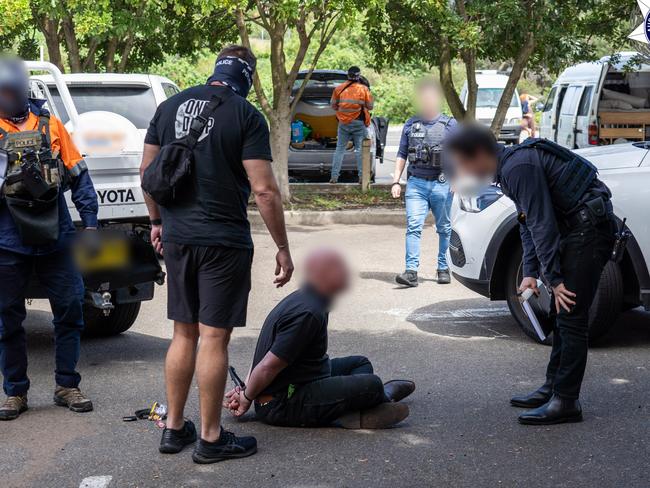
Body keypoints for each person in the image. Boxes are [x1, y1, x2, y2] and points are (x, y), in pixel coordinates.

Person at [140, 45, 294, 464]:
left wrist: (157, 223)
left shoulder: (169, 106)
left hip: (177, 238)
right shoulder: (245, 115)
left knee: (182, 333)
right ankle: (210, 438)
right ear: (246, 75)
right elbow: (263, 190)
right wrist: (282, 246)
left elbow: (147, 175)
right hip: (222, 240)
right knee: (213, 337)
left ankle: (174, 429)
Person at [446, 124, 616, 425]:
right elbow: (526, 220)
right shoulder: (509, 166)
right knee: (559, 312)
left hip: (589, 231)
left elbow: (542, 223)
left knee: (571, 315)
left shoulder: (517, 167)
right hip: (578, 230)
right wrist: (530, 272)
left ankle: (566, 401)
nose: (466, 172)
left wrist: (554, 279)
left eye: (465, 165)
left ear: (481, 155)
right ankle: (553, 388)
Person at [0, 57, 98, 421]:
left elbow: (79, 176)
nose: (9, 96)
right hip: (8, 244)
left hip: (56, 239)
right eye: (3, 91)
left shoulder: (51, 125)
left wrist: (90, 223)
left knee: (71, 311)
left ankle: (66, 385)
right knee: (7, 319)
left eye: (13, 89)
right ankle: (15, 392)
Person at [224, 248, 414, 429]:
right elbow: (268, 365)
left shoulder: (308, 298)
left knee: (360, 364)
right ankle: (380, 398)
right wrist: (247, 396)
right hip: (281, 402)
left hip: (306, 377)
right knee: (371, 385)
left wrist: (247, 386)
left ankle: (347, 411)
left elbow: (266, 352)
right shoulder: (309, 313)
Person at [392, 78, 457, 287]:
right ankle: (411, 272)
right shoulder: (411, 124)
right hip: (416, 184)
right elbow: (402, 154)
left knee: (444, 228)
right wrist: (396, 181)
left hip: (442, 183)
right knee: (413, 226)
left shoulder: (450, 124)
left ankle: (443, 267)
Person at [329, 66, 374, 183]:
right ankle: (361, 177)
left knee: (339, 150)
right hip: (359, 124)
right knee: (360, 150)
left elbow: (333, 105)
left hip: (343, 124)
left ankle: (334, 177)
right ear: (358, 76)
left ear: (348, 76)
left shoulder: (338, 89)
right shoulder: (364, 89)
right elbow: (370, 106)